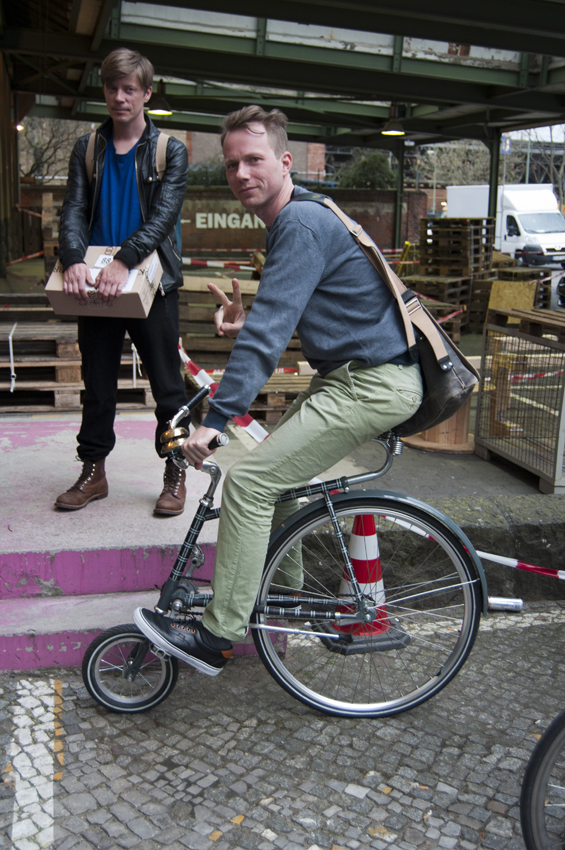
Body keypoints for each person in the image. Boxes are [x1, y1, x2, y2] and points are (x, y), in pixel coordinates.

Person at [134, 105, 423, 673]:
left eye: (254, 160)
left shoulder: (299, 223)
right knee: (280, 485)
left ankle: (217, 635)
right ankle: (280, 597)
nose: (241, 173)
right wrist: (252, 321)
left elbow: (268, 337)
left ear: (285, 161)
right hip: (353, 377)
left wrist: (216, 421)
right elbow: (303, 310)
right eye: (232, 164)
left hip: (373, 383)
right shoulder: (303, 215)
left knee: (249, 483)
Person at [55, 48, 190, 516]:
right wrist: (73, 259)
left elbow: (162, 217)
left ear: (146, 93)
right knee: (96, 384)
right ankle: (93, 471)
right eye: (112, 88)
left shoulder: (169, 150)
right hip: (97, 283)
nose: (119, 97)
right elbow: (74, 208)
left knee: (168, 387)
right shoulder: (88, 148)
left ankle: (176, 469)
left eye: (129, 89)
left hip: (153, 286)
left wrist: (124, 260)